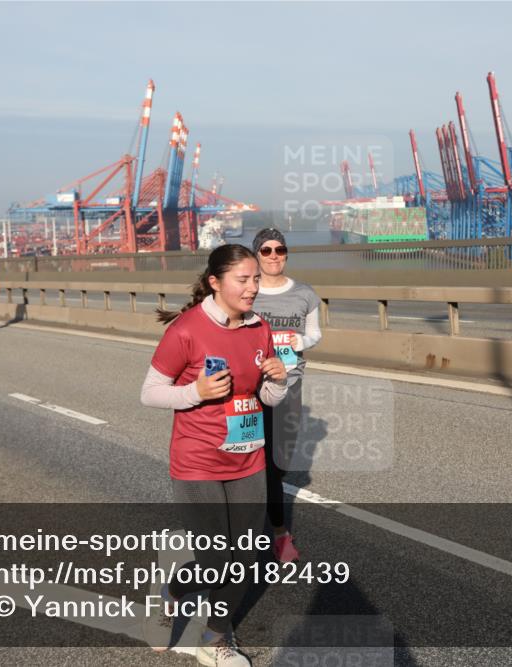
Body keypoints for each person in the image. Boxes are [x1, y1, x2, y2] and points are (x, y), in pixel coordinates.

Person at [140, 244, 287, 666]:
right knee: (216, 563)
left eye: (256, 279)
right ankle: (171, 593)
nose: (253, 287)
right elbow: (149, 393)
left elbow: (266, 397)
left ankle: (215, 639)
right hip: (198, 462)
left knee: (243, 561)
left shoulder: (260, 328)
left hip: (249, 459)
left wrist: (279, 380)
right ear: (215, 282)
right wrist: (196, 392)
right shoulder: (186, 330)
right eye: (243, 280)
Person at [250, 228, 321, 563]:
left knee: (280, 465)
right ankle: (278, 534)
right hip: (254, 387)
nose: (274, 255)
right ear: (256, 255)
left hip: (290, 385)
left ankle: (265, 509)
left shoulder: (304, 293)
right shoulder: (248, 292)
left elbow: (315, 333)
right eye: (266, 250)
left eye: (280, 249)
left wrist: (301, 342)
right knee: (260, 461)